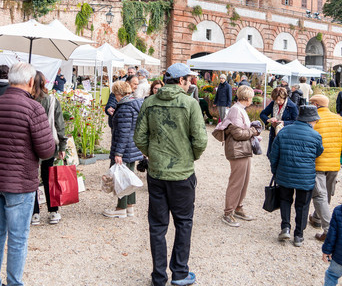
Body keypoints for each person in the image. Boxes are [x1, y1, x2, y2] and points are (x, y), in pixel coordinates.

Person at [0, 62, 56, 286]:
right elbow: (46, 149)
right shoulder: (33, 108)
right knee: (18, 238)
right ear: (31, 82)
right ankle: (14, 282)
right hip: (20, 182)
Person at [133, 63, 208, 286]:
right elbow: (201, 140)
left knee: (157, 225)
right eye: (190, 79)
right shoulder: (190, 104)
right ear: (182, 80)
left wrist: (153, 155)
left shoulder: (149, 102)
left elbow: (139, 137)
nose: (191, 83)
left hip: (157, 174)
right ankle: (180, 273)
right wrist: (190, 157)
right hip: (182, 174)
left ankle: (158, 276)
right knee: (183, 223)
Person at [269, 105, 323, 247]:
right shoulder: (316, 136)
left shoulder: (284, 131)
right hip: (305, 176)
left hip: (285, 173)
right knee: (303, 205)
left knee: (285, 200)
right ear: (311, 121)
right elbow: (318, 152)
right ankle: (299, 235)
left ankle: (285, 227)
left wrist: (275, 171)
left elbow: (274, 155)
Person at [213, 85, 262, 227]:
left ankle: (238, 207)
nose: (252, 100)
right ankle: (228, 212)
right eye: (251, 97)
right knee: (236, 182)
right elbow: (238, 133)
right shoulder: (236, 110)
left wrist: (251, 130)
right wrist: (253, 130)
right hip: (237, 149)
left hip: (243, 149)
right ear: (246, 98)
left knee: (244, 180)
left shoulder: (240, 109)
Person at [308, 95, 342, 242]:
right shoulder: (340, 120)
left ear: (315, 104)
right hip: (334, 164)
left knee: (319, 195)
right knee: (326, 193)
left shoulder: (313, 120)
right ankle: (316, 218)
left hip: (318, 163)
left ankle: (328, 229)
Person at [103, 81, 143, 218]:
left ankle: (121, 208)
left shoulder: (125, 107)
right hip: (131, 146)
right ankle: (130, 207)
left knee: (123, 180)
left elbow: (123, 132)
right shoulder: (133, 104)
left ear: (119, 93)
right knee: (129, 176)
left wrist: (118, 152)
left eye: (115, 94)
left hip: (125, 148)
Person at [31, 71, 66, 226]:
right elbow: (60, 124)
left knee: (31, 179)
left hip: (29, 144)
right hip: (48, 143)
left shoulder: (26, 100)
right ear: (44, 82)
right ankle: (53, 211)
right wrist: (62, 146)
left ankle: (34, 213)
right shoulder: (51, 100)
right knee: (49, 178)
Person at [260, 87, 298, 157]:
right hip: (273, 135)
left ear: (284, 97)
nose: (277, 102)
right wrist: (268, 120)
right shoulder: (273, 103)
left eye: (279, 100)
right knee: (272, 156)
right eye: (276, 100)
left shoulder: (292, 106)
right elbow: (262, 114)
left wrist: (284, 123)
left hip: (286, 136)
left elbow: (296, 122)